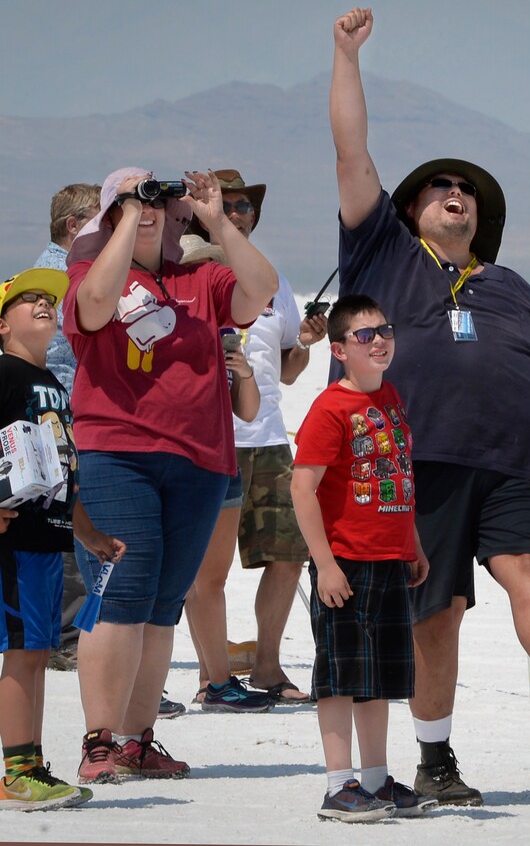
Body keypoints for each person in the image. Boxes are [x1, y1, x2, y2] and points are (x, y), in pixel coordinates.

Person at [329, 7, 530, 806]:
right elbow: (352, 155)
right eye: (440, 187)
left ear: (481, 221)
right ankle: (436, 759)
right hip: (422, 460)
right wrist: (346, 57)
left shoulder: (511, 286)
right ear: (413, 208)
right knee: (439, 612)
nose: (456, 195)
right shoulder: (383, 252)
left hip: (523, 461)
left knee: (527, 565)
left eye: (467, 192)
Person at [62, 167, 278, 785]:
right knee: (121, 595)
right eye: (128, 202)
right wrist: (128, 216)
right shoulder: (89, 273)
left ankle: (137, 740)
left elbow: (258, 290)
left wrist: (214, 219)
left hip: (200, 460)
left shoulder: (200, 278)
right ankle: (99, 741)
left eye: (156, 200)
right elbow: (97, 307)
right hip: (117, 454)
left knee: (161, 607)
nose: (148, 208)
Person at [291, 294, 434, 822]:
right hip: (344, 562)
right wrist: (324, 564)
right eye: (364, 335)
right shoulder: (330, 408)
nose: (379, 341)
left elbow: (400, 475)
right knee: (342, 675)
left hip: (390, 556)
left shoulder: (391, 397)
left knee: (379, 679)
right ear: (338, 350)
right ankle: (338, 785)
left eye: (385, 331)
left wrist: (412, 542)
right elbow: (302, 489)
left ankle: (375, 781)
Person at [190, 169, 327, 705]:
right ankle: (212, 675)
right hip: (209, 440)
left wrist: (308, 342)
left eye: (245, 206)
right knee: (208, 570)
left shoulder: (273, 280)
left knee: (290, 553)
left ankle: (268, 667)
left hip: (268, 438)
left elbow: (288, 369)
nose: (238, 213)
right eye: (227, 204)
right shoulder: (189, 272)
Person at [0, 268, 125, 811]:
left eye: (49, 298)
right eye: (28, 300)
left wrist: (88, 530)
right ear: (2, 324)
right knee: (22, 651)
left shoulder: (51, 382)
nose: (43, 304)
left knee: (39, 650)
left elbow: (58, 468)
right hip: (15, 539)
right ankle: (15, 772)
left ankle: (31, 764)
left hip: (49, 537)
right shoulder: (3, 374)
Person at [179, 233, 273, 713]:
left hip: (223, 458)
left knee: (210, 580)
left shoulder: (229, 331)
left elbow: (249, 412)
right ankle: (208, 680)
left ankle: (215, 681)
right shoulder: (173, 327)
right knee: (180, 580)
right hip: (184, 461)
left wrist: (241, 370)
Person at [32, 183, 101, 674]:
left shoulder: (47, 274)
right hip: (64, 417)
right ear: (74, 227)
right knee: (71, 522)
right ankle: (68, 635)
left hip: (57, 415)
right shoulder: (60, 279)